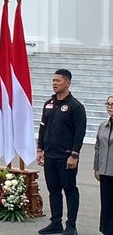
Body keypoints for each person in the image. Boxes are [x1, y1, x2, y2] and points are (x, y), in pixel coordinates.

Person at [37, 68, 87, 235]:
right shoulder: (48, 104)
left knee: (70, 190)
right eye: (53, 80)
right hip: (50, 155)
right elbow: (42, 128)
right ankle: (55, 222)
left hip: (66, 157)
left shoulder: (76, 106)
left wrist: (74, 155)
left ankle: (71, 225)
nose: (54, 83)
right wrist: (40, 149)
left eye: (58, 81)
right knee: (53, 190)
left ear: (68, 83)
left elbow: (80, 132)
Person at [94, 95, 113, 235]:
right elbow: (97, 148)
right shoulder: (103, 126)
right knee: (106, 203)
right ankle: (106, 230)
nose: (110, 107)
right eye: (108, 104)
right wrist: (96, 167)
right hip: (105, 171)